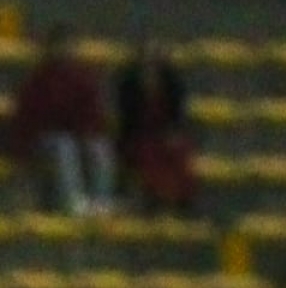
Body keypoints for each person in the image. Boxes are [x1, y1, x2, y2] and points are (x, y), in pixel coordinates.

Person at [10, 26, 114, 215]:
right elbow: (26, 122)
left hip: (77, 138)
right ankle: (73, 203)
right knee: (63, 145)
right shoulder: (37, 81)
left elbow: (93, 117)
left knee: (99, 147)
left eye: (67, 46)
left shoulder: (84, 79)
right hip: (45, 143)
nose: (63, 51)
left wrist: (85, 134)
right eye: (59, 47)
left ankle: (102, 203)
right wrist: (22, 154)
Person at [114, 44, 196, 212]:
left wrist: (173, 133)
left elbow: (177, 117)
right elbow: (128, 120)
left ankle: (180, 199)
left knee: (179, 151)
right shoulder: (129, 86)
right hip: (139, 135)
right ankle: (156, 197)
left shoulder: (171, 85)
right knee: (148, 154)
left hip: (165, 134)